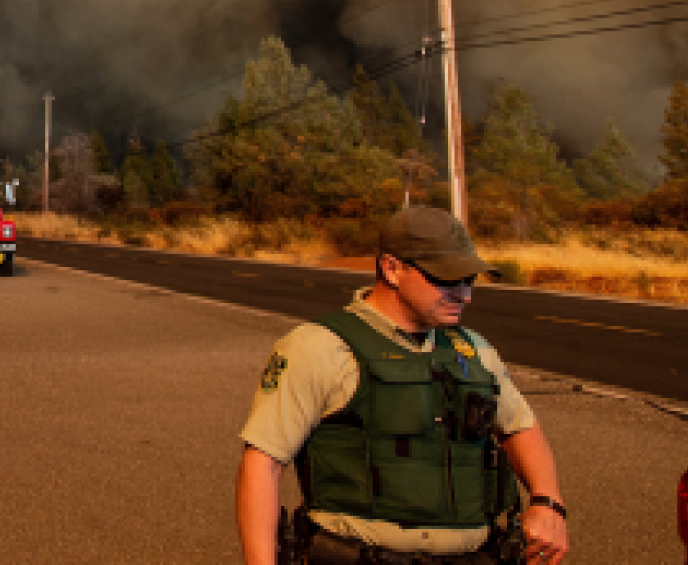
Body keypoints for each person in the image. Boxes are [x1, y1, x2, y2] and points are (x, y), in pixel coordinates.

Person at [235, 206, 569, 564]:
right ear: (392, 269)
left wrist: (547, 501)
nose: (464, 295)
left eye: (468, 281)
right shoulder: (319, 347)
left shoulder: (474, 350)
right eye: (446, 280)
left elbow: (521, 427)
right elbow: (263, 465)